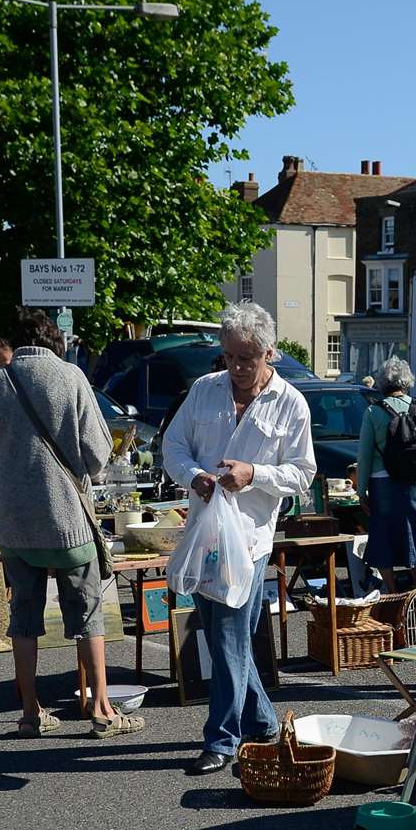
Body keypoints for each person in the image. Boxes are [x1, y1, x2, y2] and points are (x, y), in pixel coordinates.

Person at [0, 313, 143, 740]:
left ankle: (30, 713)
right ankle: (101, 710)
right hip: (67, 522)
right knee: (88, 616)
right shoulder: (71, 377)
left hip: (14, 527)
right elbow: (98, 453)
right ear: (56, 342)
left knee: (23, 619)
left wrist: (11, 469)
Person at [163, 302, 314, 775]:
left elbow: (302, 472)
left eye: (248, 357)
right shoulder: (204, 391)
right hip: (205, 532)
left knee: (228, 636)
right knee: (228, 637)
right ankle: (264, 719)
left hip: (249, 538)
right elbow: (174, 445)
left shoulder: (290, 402)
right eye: (230, 356)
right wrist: (194, 477)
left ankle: (222, 739)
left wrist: (255, 474)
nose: (239, 367)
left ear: (270, 352)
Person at [355, 357, 416, 592]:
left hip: (383, 482)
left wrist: (361, 491)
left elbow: (363, 456)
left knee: (383, 533)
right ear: (407, 382)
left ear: (381, 383)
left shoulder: (373, 412)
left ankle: (392, 590)